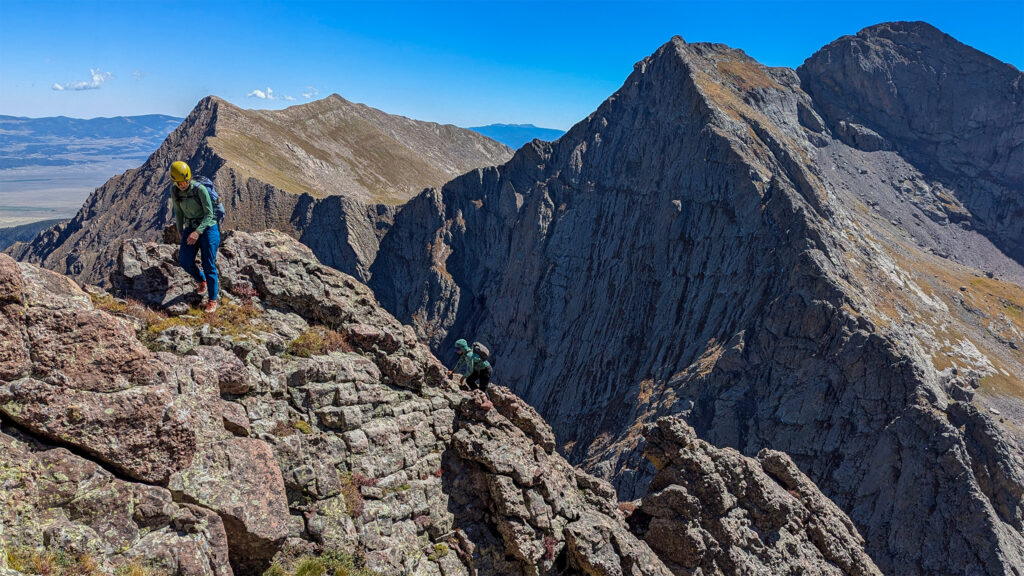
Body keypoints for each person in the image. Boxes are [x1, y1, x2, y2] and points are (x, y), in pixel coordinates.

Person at [170, 161, 220, 313]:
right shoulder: (175, 191)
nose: (182, 185)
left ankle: (212, 300)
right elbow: (178, 212)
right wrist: (180, 231)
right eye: (179, 182)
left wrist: (197, 232)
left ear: (189, 178)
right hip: (190, 227)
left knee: (208, 264)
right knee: (184, 261)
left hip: (208, 228)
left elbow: (210, 214)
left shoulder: (201, 190)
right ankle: (202, 280)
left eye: (185, 181)